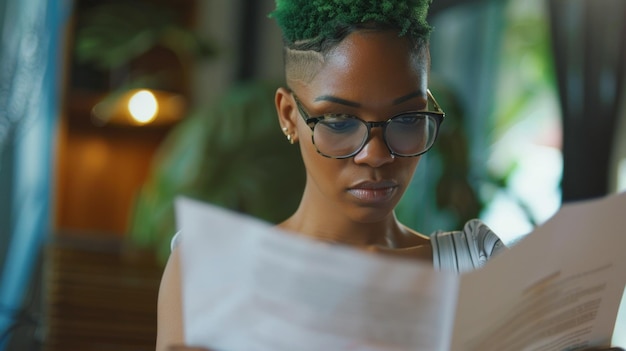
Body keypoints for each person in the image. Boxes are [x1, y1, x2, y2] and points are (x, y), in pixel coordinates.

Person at [156, 0, 505, 349]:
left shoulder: (477, 269)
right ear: (289, 116)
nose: (377, 154)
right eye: (340, 122)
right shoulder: (210, 269)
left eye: (408, 119)